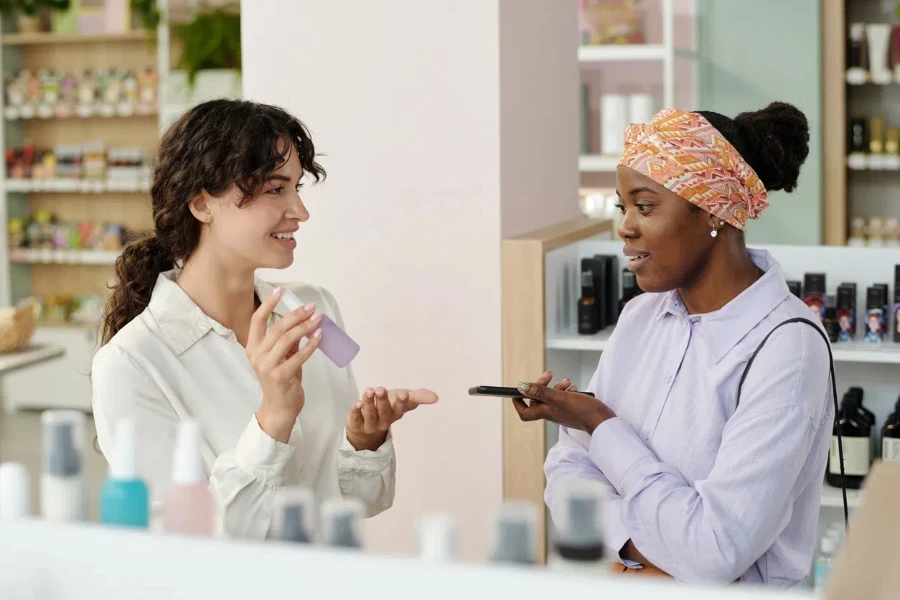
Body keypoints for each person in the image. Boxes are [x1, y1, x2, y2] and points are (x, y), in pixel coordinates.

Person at [514, 103, 832, 585]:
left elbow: (713, 550)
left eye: (645, 206)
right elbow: (566, 479)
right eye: (624, 208)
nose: (625, 226)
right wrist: (647, 560)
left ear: (714, 212)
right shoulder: (641, 317)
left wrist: (601, 423)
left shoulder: (786, 348)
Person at [92, 99, 437, 537]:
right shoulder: (130, 364)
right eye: (276, 190)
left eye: (296, 188)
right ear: (201, 203)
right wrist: (273, 418)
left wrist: (364, 442)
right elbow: (177, 543)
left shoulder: (317, 311)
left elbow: (356, 503)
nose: (300, 211)